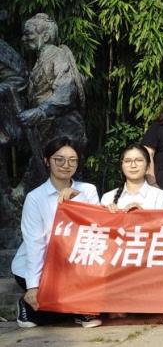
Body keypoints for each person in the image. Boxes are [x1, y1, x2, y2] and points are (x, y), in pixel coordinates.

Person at [13, 139, 101, 329]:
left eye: (72, 160)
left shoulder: (88, 190)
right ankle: (28, 304)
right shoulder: (35, 198)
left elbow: (96, 230)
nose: (66, 165)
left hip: (75, 265)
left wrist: (77, 200)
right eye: (59, 159)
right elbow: (35, 244)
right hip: (41, 265)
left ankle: (79, 307)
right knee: (46, 313)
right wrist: (33, 286)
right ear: (47, 161)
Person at [102, 144, 163, 211]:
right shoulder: (108, 198)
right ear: (121, 166)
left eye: (139, 160)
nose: (133, 165)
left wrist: (141, 214)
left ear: (148, 165)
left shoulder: (159, 196)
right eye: (128, 161)